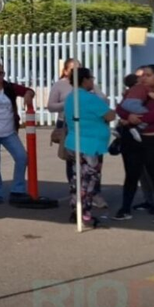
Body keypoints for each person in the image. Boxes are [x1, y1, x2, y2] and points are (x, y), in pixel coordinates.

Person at [114, 64, 154, 224]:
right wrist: (129, 116)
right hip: (133, 140)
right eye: (142, 75)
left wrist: (138, 119)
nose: (144, 78)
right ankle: (125, 208)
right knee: (131, 174)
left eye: (148, 75)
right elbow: (120, 108)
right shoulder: (135, 91)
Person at [47, 59, 108, 209]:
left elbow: (104, 101)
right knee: (73, 159)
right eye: (73, 69)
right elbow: (51, 106)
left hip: (90, 126)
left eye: (80, 68)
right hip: (69, 124)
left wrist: (92, 95)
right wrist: (70, 102)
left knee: (94, 160)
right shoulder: (60, 85)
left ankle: (95, 193)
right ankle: (75, 192)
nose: (77, 72)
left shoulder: (90, 86)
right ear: (66, 71)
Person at [63, 67, 116, 228]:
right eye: (91, 78)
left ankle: (75, 209)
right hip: (90, 145)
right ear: (84, 80)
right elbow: (110, 115)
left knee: (76, 179)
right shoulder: (90, 98)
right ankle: (84, 213)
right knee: (89, 180)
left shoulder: (70, 97)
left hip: (74, 142)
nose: (93, 81)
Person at [0, 63, 35, 205]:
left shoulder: (9, 88)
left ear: (4, 74)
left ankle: (17, 189)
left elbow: (28, 90)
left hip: (9, 131)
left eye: (0, 73)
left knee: (22, 157)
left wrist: (28, 95)